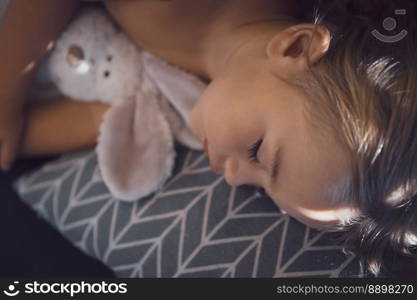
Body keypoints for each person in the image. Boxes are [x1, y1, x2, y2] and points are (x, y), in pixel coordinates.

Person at [1, 0, 416, 275]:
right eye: (259, 152)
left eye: (263, 190)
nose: (234, 178)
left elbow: (76, 123)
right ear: (296, 47)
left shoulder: (198, 99)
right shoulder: (175, 8)